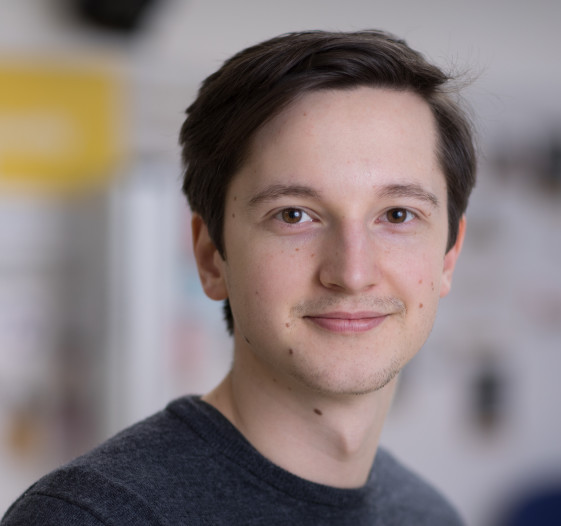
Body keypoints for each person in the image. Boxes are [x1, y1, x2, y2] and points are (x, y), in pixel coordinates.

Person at [2, 29, 476, 525]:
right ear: (211, 256)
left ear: (448, 257)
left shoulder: (430, 516)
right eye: (293, 215)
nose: (352, 273)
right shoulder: (93, 517)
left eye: (398, 215)